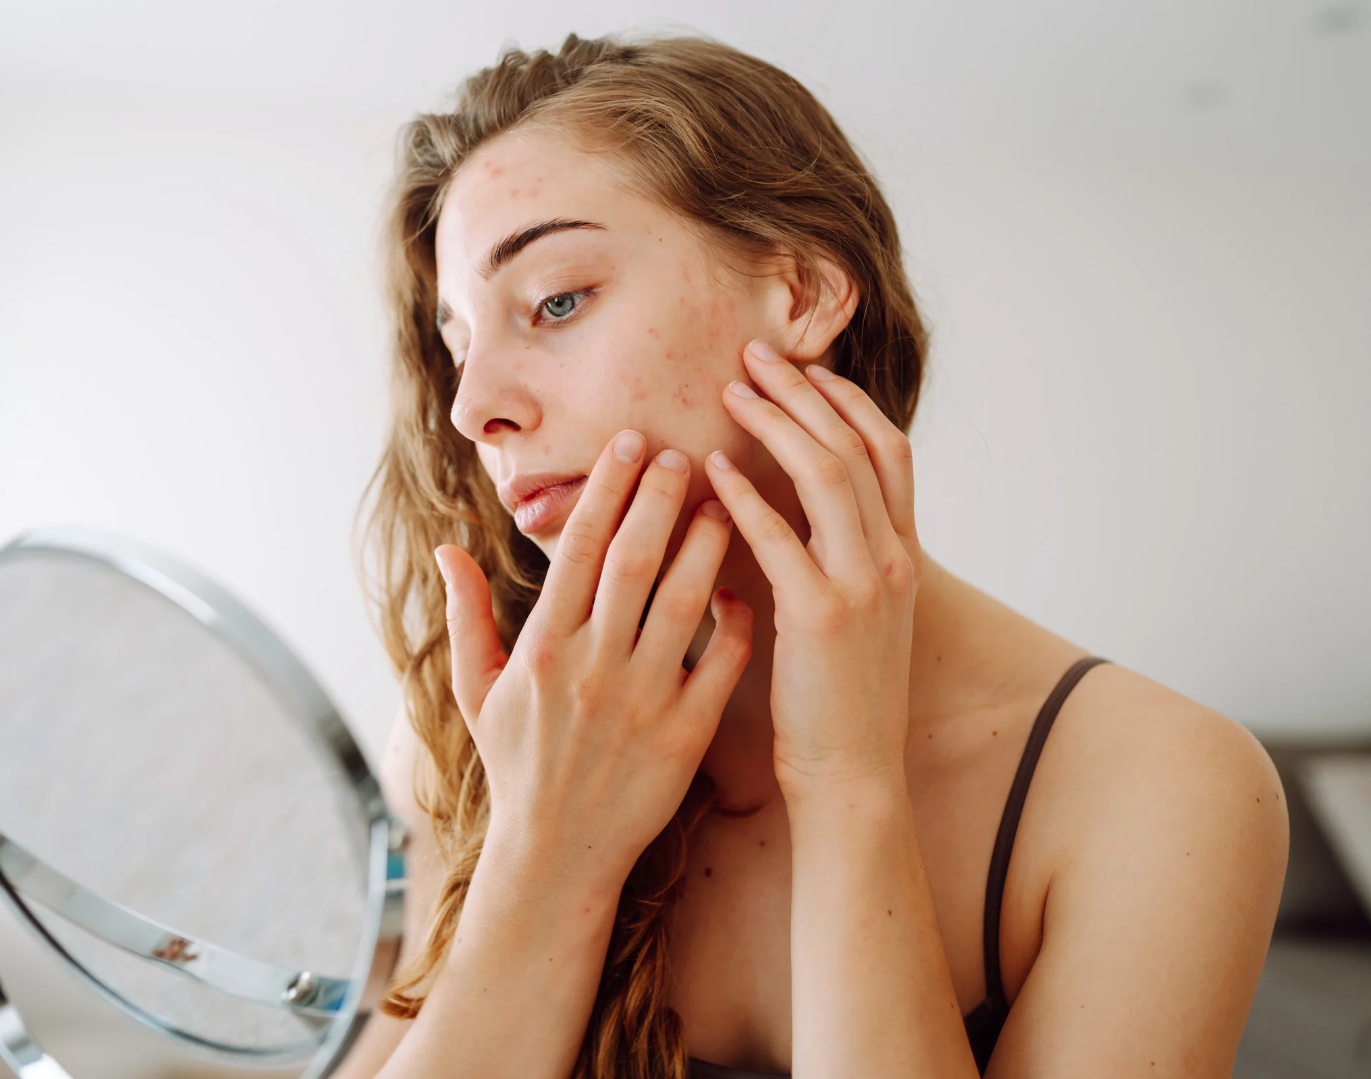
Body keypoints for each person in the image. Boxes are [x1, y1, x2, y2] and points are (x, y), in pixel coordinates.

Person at [347, 33, 1287, 1079]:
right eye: (457, 345)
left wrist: (848, 783)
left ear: (798, 295)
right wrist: (544, 850)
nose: (475, 408)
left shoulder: (1159, 787)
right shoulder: (484, 725)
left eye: (557, 300)